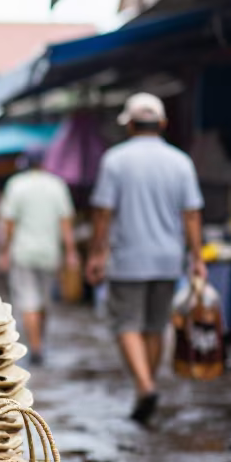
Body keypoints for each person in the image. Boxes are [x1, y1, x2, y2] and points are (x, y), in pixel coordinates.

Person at [86, 92, 205, 424]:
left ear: (130, 125)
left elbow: (103, 214)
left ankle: (144, 384)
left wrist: (96, 254)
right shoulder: (181, 161)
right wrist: (198, 258)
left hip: (128, 260)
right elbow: (192, 215)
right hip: (168, 260)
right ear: (163, 124)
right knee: (154, 327)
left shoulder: (115, 160)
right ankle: (146, 387)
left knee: (127, 324)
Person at [0, 146, 78, 365]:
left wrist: (4, 251)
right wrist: (71, 252)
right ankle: (39, 343)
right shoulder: (56, 185)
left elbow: (9, 224)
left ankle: (35, 347)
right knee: (44, 302)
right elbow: (66, 222)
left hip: (22, 252)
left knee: (28, 302)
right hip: (49, 253)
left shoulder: (16, 185)